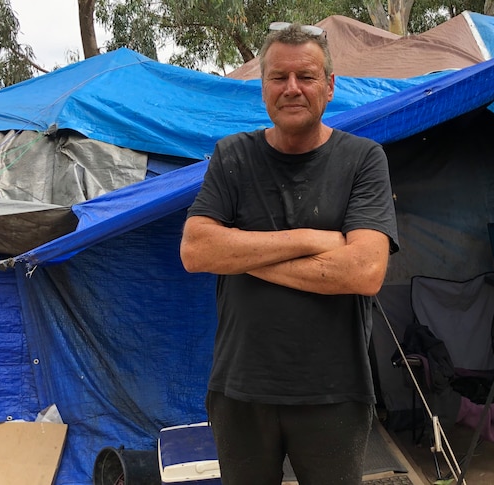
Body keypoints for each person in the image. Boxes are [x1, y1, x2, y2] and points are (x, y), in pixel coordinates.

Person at [179, 22, 399, 485]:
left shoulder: (363, 159)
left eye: (307, 76)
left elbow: (364, 270)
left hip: (335, 393)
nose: (292, 88)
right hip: (239, 390)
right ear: (263, 87)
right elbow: (197, 250)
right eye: (279, 77)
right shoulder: (233, 156)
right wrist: (314, 239)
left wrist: (241, 252)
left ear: (330, 86)